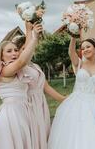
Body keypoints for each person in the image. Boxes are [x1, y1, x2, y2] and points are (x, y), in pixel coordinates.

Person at [0, 23, 42, 149]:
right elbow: (22, 61)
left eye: (16, 50)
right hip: (12, 115)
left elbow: (25, 52)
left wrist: (28, 30)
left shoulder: (15, 69)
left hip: (23, 111)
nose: (14, 53)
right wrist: (35, 38)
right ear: (1, 55)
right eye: (9, 51)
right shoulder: (5, 70)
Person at [12, 21, 66, 149]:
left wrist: (64, 99)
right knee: (33, 136)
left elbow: (45, 87)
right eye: (24, 49)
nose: (29, 51)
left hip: (41, 103)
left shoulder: (35, 66)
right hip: (29, 105)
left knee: (43, 133)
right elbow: (24, 57)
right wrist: (29, 31)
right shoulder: (19, 67)